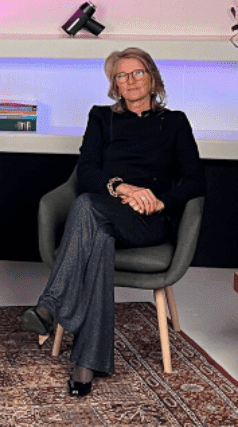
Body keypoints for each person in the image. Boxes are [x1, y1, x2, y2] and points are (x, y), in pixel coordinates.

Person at [21, 47, 206, 397]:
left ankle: (50, 305)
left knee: (87, 207)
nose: (130, 81)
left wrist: (159, 200)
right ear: (115, 85)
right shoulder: (101, 117)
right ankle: (87, 363)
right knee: (98, 234)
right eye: (122, 76)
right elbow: (86, 170)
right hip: (106, 211)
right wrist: (123, 188)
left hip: (147, 221)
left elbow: (196, 181)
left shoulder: (175, 122)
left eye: (137, 73)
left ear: (152, 78)